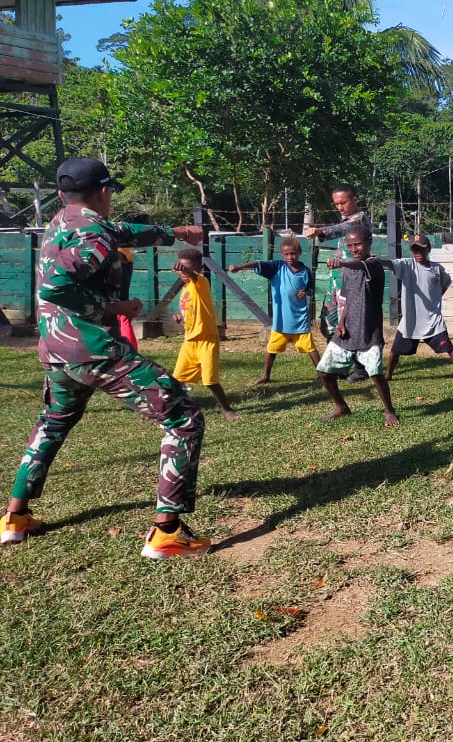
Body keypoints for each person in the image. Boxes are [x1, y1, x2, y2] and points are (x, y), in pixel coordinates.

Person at [1, 157, 212, 558]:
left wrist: (176, 233)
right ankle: (167, 532)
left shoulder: (59, 223)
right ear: (102, 192)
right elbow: (56, 288)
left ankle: (15, 518)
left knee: (52, 424)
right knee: (183, 417)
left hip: (57, 352)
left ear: (64, 193)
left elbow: (122, 231)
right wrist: (111, 309)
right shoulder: (95, 229)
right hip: (93, 349)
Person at [316, 223, 399, 426]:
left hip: (369, 331)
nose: (354, 249)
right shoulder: (347, 269)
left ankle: (389, 410)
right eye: (350, 246)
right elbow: (346, 298)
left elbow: (359, 265)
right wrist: (341, 322)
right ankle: (341, 406)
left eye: (358, 245)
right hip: (347, 330)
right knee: (324, 372)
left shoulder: (373, 264)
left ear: (369, 243)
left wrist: (342, 262)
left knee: (376, 374)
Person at [382, 234, 453, 385]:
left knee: (449, 348)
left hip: (432, 320)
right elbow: (391, 264)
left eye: (421, 250)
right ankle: (388, 375)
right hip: (411, 320)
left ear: (428, 250)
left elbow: (445, 283)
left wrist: (435, 299)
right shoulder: (406, 265)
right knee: (395, 351)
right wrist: (376, 261)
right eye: (414, 250)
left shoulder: (437, 269)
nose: (418, 253)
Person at [227, 235, 318, 384]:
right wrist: (239, 267)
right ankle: (265, 375)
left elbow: (311, 288)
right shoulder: (277, 267)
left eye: (293, 253)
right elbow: (258, 263)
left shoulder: (305, 271)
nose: (290, 257)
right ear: (282, 254)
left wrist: (306, 292)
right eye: (286, 254)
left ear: (299, 252)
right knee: (272, 348)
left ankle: (322, 375)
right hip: (281, 320)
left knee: (310, 347)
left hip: (299, 318)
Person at [304, 184, 369, 380]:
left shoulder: (359, 220)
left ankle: (361, 367)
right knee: (328, 322)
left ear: (354, 199)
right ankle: (341, 364)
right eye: (336, 204)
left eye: (343, 202)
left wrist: (319, 231)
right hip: (337, 281)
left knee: (349, 324)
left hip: (353, 280)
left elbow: (343, 228)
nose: (340, 207)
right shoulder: (347, 219)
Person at [172, 247, 239, 420]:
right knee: (177, 380)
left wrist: (186, 269)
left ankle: (227, 409)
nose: (182, 271)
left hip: (206, 339)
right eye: (180, 267)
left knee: (210, 380)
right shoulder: (185, 289)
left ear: (198, 269)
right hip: (189, 341)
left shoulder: (201, 281)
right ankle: (175, 410)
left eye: (186, 267)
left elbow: (192, 275)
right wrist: (181, 316)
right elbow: (191, 309)